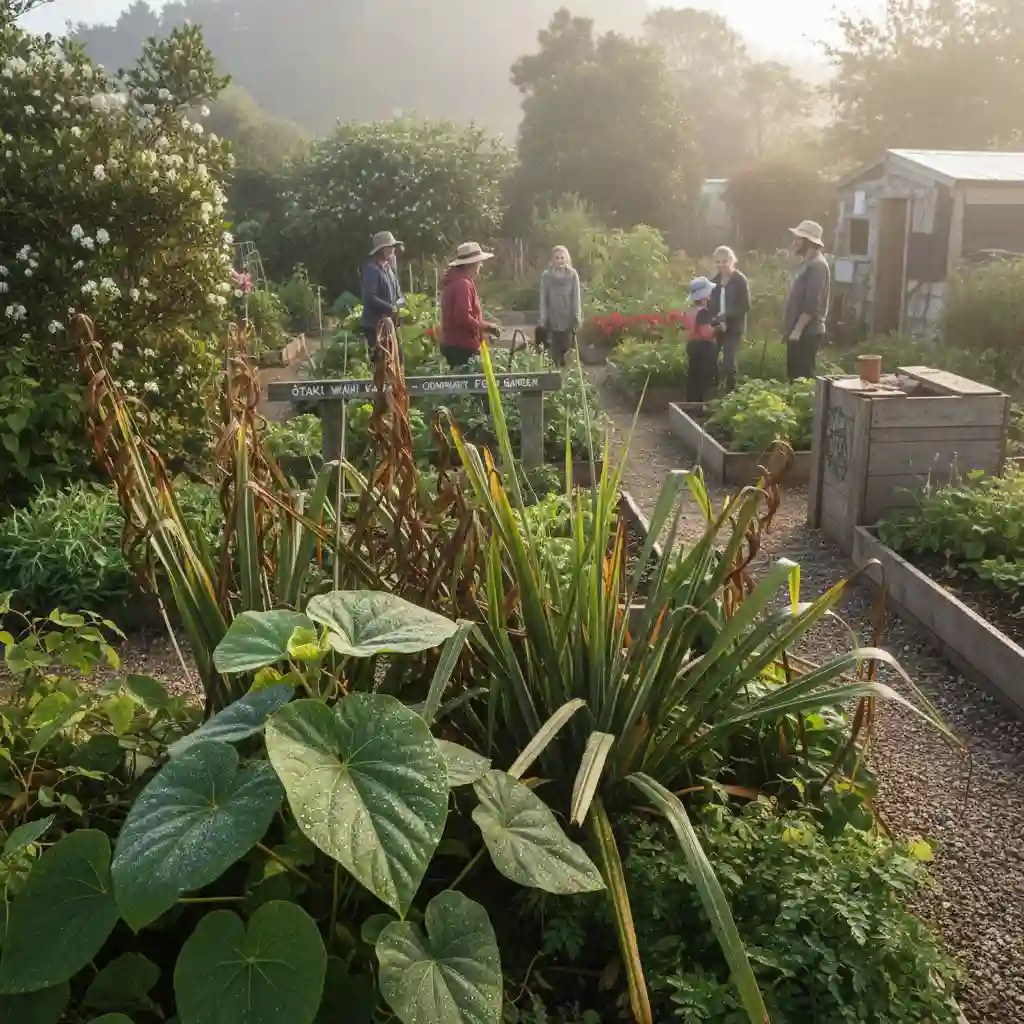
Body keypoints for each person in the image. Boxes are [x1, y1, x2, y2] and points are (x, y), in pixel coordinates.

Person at [439, 242, 502, 368]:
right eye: (479, 262)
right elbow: (463, 317)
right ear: (471, 264)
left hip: (454, 344)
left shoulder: (456, 282)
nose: (481, 265)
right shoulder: (463, 284)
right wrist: (488, 327)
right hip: (462, 347)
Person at [783, 220, 831, 380]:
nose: (794, 242)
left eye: (798, 239)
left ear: (808, 241)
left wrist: (797, 330)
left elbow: (812, 304)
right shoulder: (807, 263)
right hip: (798, 332)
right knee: (793, 376)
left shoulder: (818, 266)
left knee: (803, 377)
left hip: (807, 333)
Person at [360, 230, 405, 365]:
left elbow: (399, 295)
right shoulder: (371, 269)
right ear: (380, 250)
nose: (392, 249)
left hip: (389, 324)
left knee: (398, 359)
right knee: (381, 364)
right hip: (375, 326)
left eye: (393, 247)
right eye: (389, 247)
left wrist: (400, 305)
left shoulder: (389, 270)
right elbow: (370, 297)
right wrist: (390, 308)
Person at [710, 245, 750, 392]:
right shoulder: (714, 281)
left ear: (732, 261)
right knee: (710, 358)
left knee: (729, 361)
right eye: (718, 262)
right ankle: (713, 391)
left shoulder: (740, 280)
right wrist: (713, 319)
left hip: (734, 327)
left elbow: (745, 306)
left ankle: (731, 393)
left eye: (724, 261)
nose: (721, 265)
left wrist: (726, 315)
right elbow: (711, 305)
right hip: (717, 326)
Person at [539, 245, 582, 367]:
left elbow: (576, 297)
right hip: (552, 319)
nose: (559, 260)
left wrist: (577, 315)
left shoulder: (572, 275)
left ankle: (567, 374)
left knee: (568, 351)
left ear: (566, 258)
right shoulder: (547, 276)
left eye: (562, 258)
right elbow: (543, 298)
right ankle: (554, 373)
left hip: (568, 319)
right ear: (552, 260)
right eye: (557, 258)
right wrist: (543, 318)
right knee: (553, 352)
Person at [684, 277, 719, 404]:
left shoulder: (692, 311)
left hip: (692, 345)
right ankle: (700, 405)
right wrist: (719, 328)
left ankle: (690, 403)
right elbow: (706, 333)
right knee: (704, 378)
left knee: (693, 377)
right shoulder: (703, 312)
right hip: (704, 348)